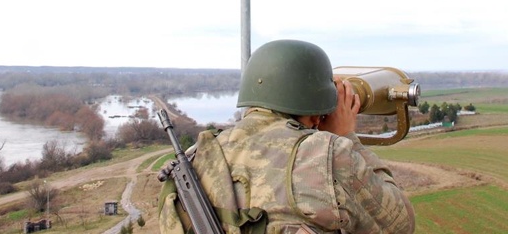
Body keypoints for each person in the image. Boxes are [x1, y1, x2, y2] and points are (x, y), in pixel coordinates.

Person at [158, 39, 415, 234]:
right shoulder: (328, 157)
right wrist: (347, 137)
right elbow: (400, 223)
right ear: (315, 111)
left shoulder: (193, 160)